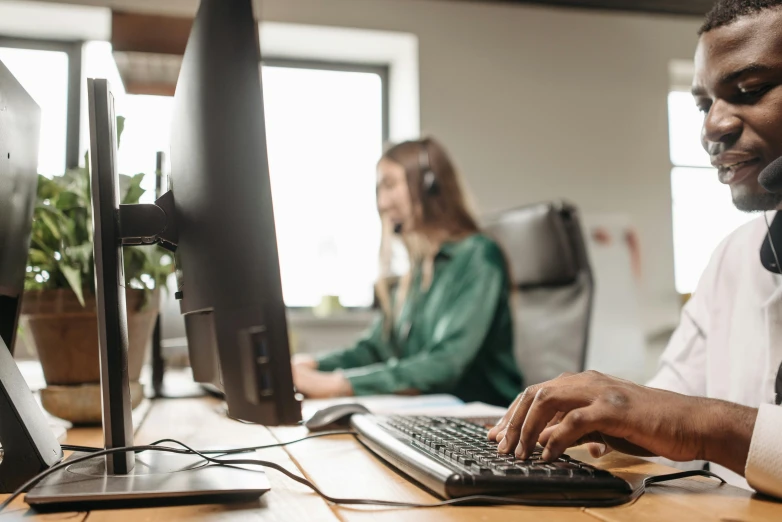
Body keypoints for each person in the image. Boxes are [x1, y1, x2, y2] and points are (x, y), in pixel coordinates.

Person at [488, 0, 782, 500]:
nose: (712, 127)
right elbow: (670, 402)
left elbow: (690, 419)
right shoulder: (735, 255)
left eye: (749, 91)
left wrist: (702, 426)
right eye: (703, 104)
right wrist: (609, 415)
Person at [291, 138, 522, 406]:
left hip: (482, 420)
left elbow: (445, 364)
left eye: (389, 185)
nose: (382, 202)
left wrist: (339, 385)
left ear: (429, 186)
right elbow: (375, 348)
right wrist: (312, 365)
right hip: (429, 413)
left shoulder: (478, 256)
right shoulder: (418, 268)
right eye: (379, 189)